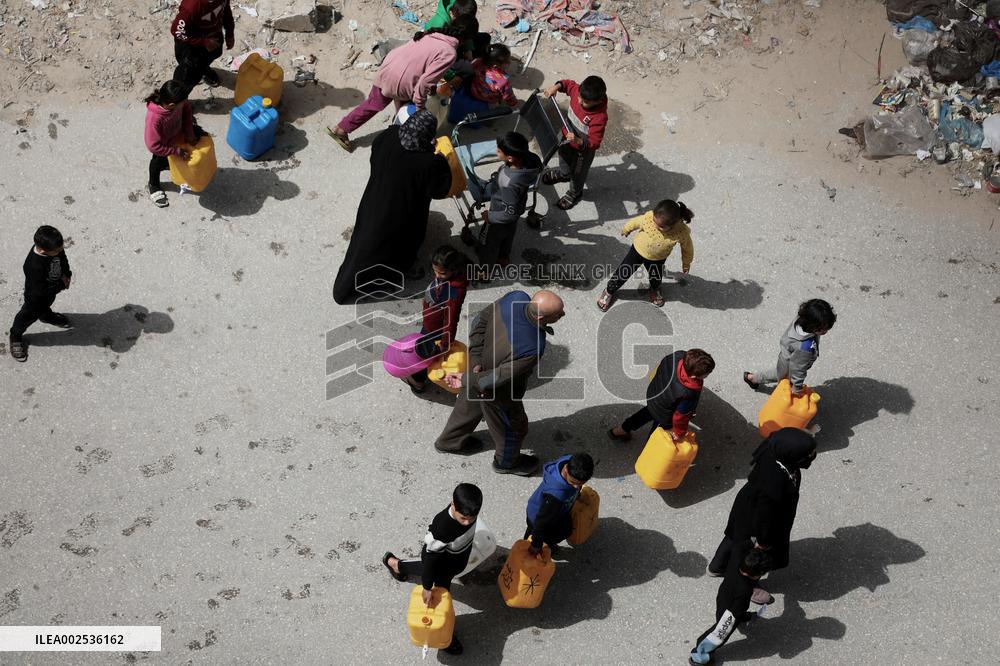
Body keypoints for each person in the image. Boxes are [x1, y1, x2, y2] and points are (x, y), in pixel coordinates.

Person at [434, 289, 566, 475]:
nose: (563, 315)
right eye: (558, 314)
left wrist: (475, 361)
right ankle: (507, 463)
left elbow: (479, 320)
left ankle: (449, 442)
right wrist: (468, 379)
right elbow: (498, 377)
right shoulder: (532, 346)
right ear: (540, 318)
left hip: (477, 369)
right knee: (513, 428)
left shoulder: (516, 297)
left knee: (467, 406)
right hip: (497, 391)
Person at [332, 110, 452, 304]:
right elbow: (439, 190)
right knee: (401, 246)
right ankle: (403, 269)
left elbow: (374, 159)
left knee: (364, 244)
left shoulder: (388, 136)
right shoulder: (429, 163)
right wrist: (442, 162)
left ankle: (346, 286)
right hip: (404, 214)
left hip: (374, 200)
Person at [326, 16, 479, 153]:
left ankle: (342, 128)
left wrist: (430, 90)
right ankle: (398, 134)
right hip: (401, 79)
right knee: (410, 108)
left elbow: (423, 66)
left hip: (389, 65)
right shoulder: (449, 52)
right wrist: (421, 110)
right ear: (467, 39)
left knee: (373, 103)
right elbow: (424, 82)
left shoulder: (433, 33)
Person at [706, 428, 818, 589]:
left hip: (745, 508)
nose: (811, 456)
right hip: (757, 524)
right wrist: (763, 542)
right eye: (808, 454)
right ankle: (745, 586)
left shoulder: (773, 453)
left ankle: (717, 566)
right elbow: (764, 517)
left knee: (733, 538)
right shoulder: (773, 485)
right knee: (749, 557)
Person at [382, 483, 483, 656]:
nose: (467, 522)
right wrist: (427, 587)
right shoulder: (442, 528)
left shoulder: (467, 511)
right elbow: (429, 560)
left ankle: (396, 564)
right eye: (463, 518)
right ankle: (444, 638)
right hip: (441, 565)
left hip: (452, 562)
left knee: (428, 571)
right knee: (440, 599)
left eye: (472, 518)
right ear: (453, 504)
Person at [466, 132, 541, 277]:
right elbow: (513, 213)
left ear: (510, 158)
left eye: (499, 151)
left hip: (500, 214)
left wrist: (490, 216)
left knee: (488, 243)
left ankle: (486, 270)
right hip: (515, 211)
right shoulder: (530, 161)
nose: (496, 152)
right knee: (508, 236)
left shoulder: (508, 182)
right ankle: (503, 257)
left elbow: (508, 213)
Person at [597, 199, 694, 311]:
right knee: (623, 272)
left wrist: (686, 263)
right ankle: (609, 290)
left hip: (658, 259)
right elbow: (636, 221)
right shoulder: (649, 218)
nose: (656, 226)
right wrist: (626, 229)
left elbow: (687, 248)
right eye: (654, 221)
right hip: (636, 252)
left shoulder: (681, 232)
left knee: (656, 276)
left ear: (674, 224)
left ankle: (654, 289)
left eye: (661, 227)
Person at [402, 245, 470, 394]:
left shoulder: (453, 293)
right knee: (425, 352)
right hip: (431, 323)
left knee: (424, 355)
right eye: (435, 271)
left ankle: (418, 382)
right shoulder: (447, 279)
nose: (437, 275)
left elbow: (451, 321)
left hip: (435, 329)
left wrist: (444, 345)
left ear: (454, 269)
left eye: (442, 273)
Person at [609, 349, 715, 443]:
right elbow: (681, 416)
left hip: (654, 395)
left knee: (645, 414)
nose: (707, 375)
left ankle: (619, 431)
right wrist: (679, 433)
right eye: (706, 374)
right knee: (657, 435)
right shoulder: (689, 392)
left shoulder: (676, 357)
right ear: (693, 376)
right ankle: (649, 454)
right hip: (664, 414)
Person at [689, 548, 774, 665]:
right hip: (730, 613)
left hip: (724, 594)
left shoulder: (737, 561)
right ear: (757, 575)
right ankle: (699, 657)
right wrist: (746, 616)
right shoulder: (745, 590)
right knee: (719, 634)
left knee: (722, 613)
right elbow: (736, 614)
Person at [539, 75, 609, 212]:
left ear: (598, 101)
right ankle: (564, 174)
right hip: (565, 137)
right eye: (579, 97)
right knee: (563, 157)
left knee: (578, 173)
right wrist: (556, 87)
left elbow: (595, 142)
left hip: (582, 151)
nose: (578, 100)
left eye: (585, 102)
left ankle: (575, 193)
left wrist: (579, 141)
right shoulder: (578, 91)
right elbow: (567, 84)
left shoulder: (599, 118)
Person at [743, 299, 837, 394]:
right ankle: (753, 379)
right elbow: (798, 370)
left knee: (778, 372)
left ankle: (751, 377)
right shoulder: (805, 348)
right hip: (790, 368)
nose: (825, 332)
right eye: (823, 330)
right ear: (813, 327)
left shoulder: (801, 319)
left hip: (786, 356)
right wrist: (797, 388)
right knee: (784, 386)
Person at [8, 226, 73, 363]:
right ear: (43, 250)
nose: (61, 251)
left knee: (47, 304)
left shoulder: (54, 248)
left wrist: (67, 273)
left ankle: (45, 315)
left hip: (51, 291)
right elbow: (41, 291)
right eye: (58, 250)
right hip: (35, 298)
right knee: (26, 316)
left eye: (61, 248)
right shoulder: (33, 265)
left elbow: (62, 258)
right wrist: (61, 285)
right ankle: (15, 336)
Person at [144, 80, 201, 208]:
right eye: (181, 103)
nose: (184, 103)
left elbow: (186, 110)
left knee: (172, 161)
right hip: (163, 146)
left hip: (176, 136)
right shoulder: (155, 118)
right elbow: (153, 145)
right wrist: (177, 151)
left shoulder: (180, 103)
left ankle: (171, 165)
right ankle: (154, 185)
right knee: (157, 163)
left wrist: (189, 132)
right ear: (171, 105)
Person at [524, 453, 594, 554]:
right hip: (539, 518)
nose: (576, 487)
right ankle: (543, 544)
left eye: (580, 484)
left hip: (549, 511)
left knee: (563, 528)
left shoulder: (569, 461)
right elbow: (541, 522)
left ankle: (536, 540)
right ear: (566, 469)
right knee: (558, 532)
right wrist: (536, 546)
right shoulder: (556, 496)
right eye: (572, 482)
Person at [447, 44, 518, 125]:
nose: (510, 62)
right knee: (495, 108)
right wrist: (513, 103)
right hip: (488, 100)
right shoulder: (503, 80)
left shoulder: (477, 61)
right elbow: (508, 96)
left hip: (474, 90)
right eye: (507, 61)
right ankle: (488, 121)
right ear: (495, 66)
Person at [170, 0, 234, 88]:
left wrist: (230, 32)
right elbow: (177, 31)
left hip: (213, 36)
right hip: (191, 44)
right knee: (186, 75)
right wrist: (204, 42)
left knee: (215, 53)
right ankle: (178, 97)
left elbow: (225, 10)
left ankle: (203, 70)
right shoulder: (191, 6)